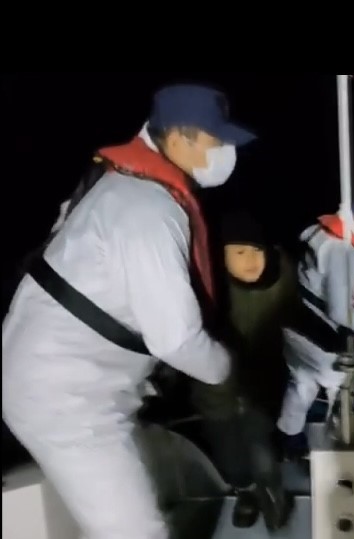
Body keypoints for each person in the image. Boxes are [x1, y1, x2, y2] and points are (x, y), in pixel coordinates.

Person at [2, 83, 255, 539]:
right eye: (217, 141)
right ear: (178, 137)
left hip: (75, 380)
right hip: (66, 400)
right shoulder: (147, 210)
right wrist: (225, 368)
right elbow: (176, 340)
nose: (227, 153)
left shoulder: (122, 185)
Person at [190, 210, 296, 529]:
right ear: (220, 257)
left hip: (261, 388)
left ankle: (273, 497)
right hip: (214, 392)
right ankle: (245, 494)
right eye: (239, 252)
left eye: (257, 250)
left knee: (261, 448)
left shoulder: (283, 276)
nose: (250, 260)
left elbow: (300, 321)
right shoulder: (204, 290)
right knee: (230, 456)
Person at [276, 196, 354, 457]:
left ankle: (288, 440)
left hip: (294, 324)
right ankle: (339, 449)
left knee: (302, 384)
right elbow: (339, 311)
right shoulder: (343, 251)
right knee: (344, 384)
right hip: (320, 337)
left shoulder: (319, 235)